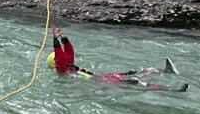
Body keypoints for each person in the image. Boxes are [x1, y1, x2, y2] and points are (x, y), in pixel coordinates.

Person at [49, 27, 187, 91]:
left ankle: (165, 71)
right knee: (135, 81)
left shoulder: (68, 66)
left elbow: (68, 52)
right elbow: (61, 55)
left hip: (103, 78)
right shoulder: (62, 70)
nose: (64, 58)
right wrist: (56, 39)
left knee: (134, 73)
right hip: (103, 82)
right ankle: (171, 89)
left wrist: (63, 38)